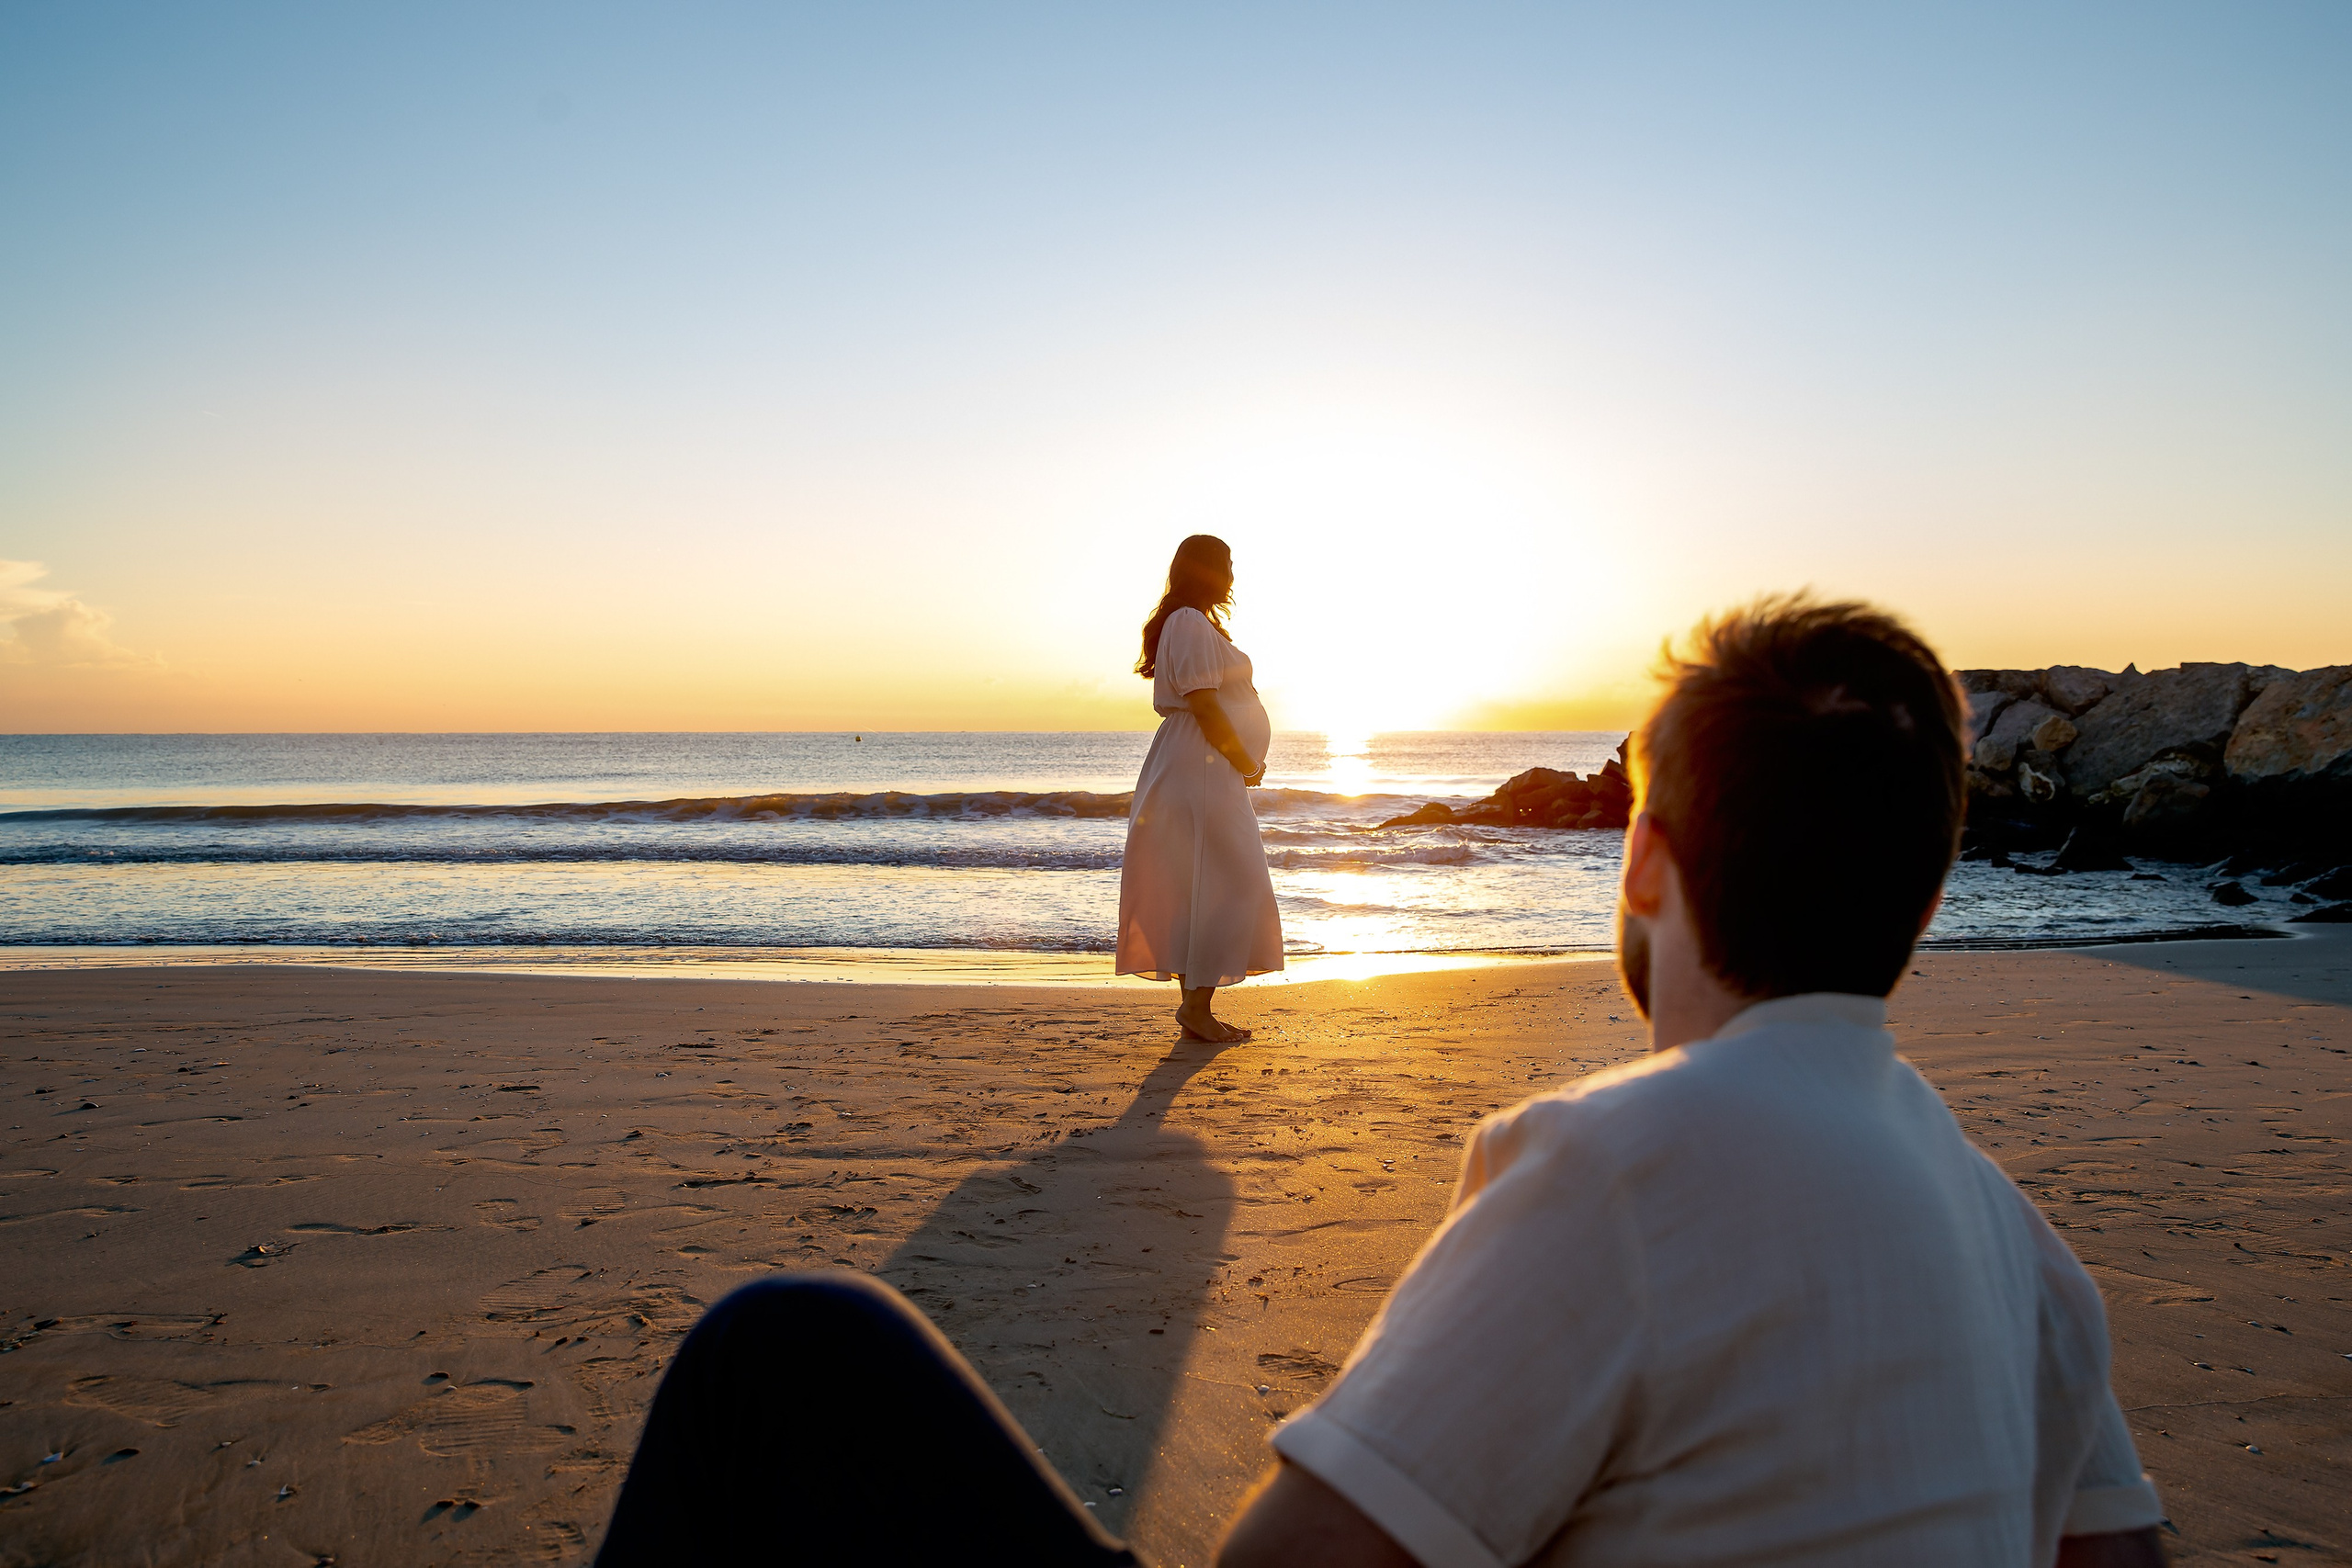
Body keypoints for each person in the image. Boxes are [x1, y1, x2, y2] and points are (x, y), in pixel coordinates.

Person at [594, 594, 2165, 1568]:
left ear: (1643, 865)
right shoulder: (2026, 1248)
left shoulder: (1620, 1165)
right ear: (1931, 895)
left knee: (787, 1349)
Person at [1114, 533, 1283, 1043]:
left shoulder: (1197, 622)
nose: (1232, 573)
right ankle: (1196, 1008)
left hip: (1200, 765)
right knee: (1228, 882)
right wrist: (1243, 759)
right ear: (1204, 569)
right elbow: (1205, 705)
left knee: (1205, 882)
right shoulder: (1187, 621)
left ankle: (1196, 1006)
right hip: (1201, 764)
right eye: (1225, 563)